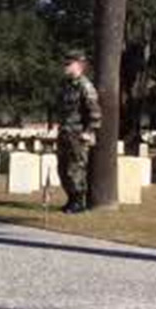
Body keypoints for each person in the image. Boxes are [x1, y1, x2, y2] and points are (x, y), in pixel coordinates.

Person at [57, 50, 102, 214]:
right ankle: (70, 199)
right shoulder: (67, 85)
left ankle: (79, 202)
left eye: (68, 64)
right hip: (65, 132)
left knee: (76, 168)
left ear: (78, 65)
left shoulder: (85, 86)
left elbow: (95, 112)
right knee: (63, 169)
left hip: (78, 134)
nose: (65, 67)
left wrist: (89, 131)